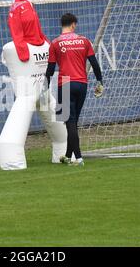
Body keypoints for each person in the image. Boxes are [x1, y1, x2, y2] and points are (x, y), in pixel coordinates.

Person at [45, 13, 104, 166]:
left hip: (65, 83)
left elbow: (50, 69)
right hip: (82, 83)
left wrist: (44, 86)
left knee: (69, 122)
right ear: (73, 25)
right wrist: (100, 81)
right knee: (73, 121)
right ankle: (67, 155)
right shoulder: (84, 40)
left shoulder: (55, 43)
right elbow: (94, 63)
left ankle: (78, 158)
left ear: (62, 25)